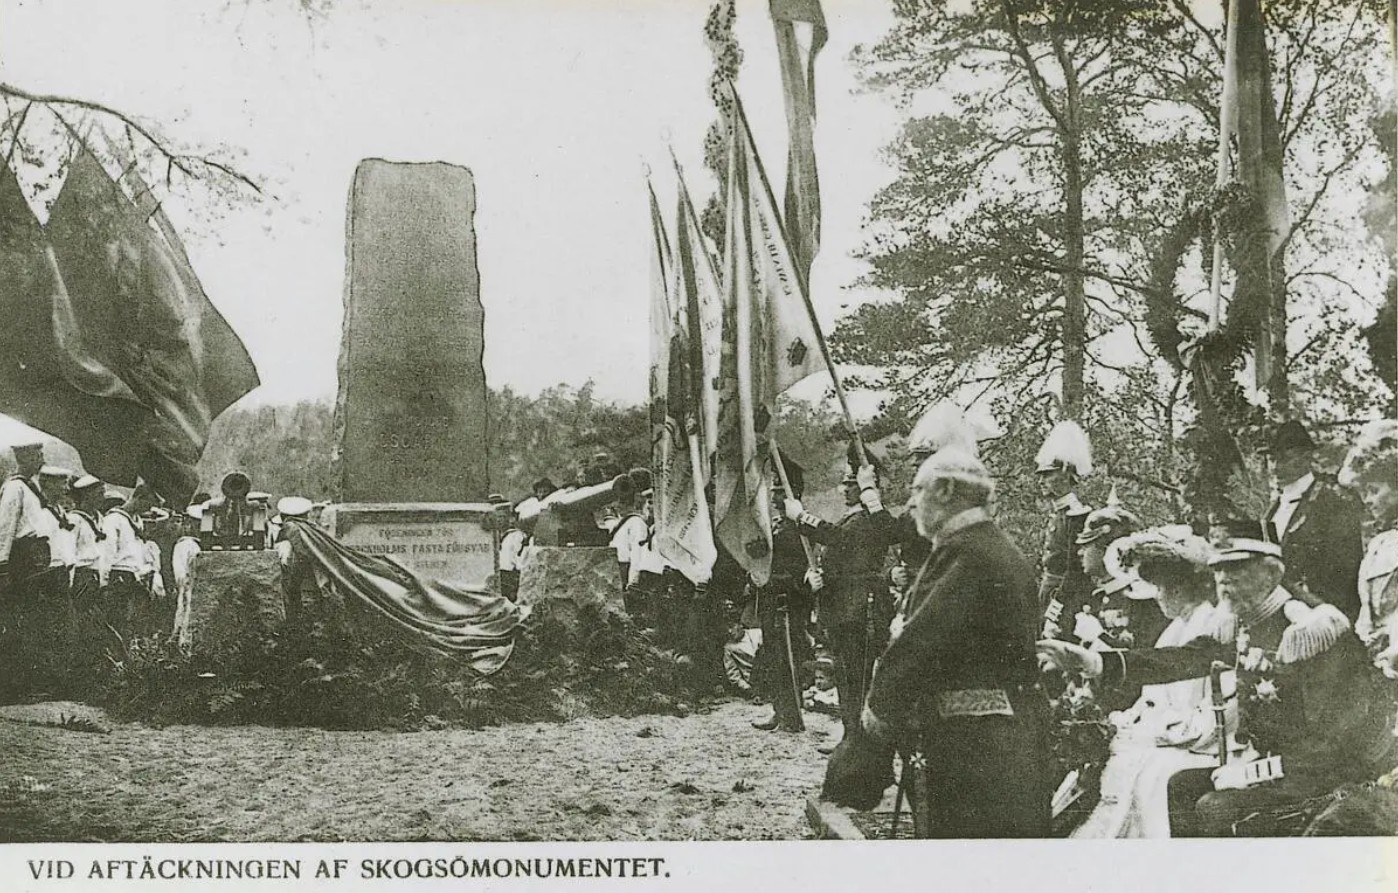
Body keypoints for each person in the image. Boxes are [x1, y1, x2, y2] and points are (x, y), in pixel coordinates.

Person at [1038, 526, 1398, 837]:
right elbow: (1179, 659)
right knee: (1175, 789)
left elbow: (1335, 741)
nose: (1223, 581)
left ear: (1271, 573)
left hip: (1323, 771)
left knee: (1213, 807)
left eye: (1236, 570)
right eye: (1219, 570)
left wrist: (1254, 773)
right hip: (1270, 763)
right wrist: (1097, 661)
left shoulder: (1313, 632)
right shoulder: (1241, 623)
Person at [824, 446, 1052, 838]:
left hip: (972, 748)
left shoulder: (967, 552)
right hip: (997, 741)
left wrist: (866, 743)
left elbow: (917, 648)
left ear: (945, 490)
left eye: (917, 490)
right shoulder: (986, 547)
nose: (911, 503)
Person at [1069, 527, 1234, 838]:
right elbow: (1152, 697)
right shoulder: (1174, 628)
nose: (1156, 596)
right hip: (1167, 733)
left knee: (1148, 773)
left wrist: (1158, 729)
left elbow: (1210, 712)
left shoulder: (1210, 623)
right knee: (1114, 761)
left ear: (1182, 586)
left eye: (1161, 587)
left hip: (1198, 744)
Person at [783, 454, 898, 753]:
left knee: (855, 679)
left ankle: (857, 741)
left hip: (862, 609)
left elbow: (838, 539)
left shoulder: (867, 520)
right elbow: (840, 560)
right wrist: (819, 576)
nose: (844, 489)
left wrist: (802, 518)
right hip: (845, 607)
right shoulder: (855, 516)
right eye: (844, 483)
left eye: (850, 483)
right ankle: (851, 737)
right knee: (846, 678)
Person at [1265, 419, 1364, 623]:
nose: (1275, 467)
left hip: (1324, 614)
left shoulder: (1332, 500)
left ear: (1306, 456)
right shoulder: (1273, 509)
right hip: (1278, 613)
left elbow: (1346, 569)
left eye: (1285, 458)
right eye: (1272, 459)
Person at [752, 456, 813, 733]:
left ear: (791, 493)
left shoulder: (799, 530)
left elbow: (801, 570)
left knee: (789, 658)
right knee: (774, 657)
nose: (773, 494)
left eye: (778, 489)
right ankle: (780, 710)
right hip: (771, 601)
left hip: (788, 603)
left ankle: (792, 715)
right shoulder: (777, 526)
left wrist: (774, 581)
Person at [1338, 421, 1398, 676]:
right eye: (1364, 492)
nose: (1368, 500)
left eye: (1373, 490)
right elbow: (1368, 610)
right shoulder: (1379, 545)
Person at [1034, 420, 1095, 616]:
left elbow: (1075, 571)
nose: (1041, 481)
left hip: (1066, 599)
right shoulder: (1058, 513)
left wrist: (1058, 604)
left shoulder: (1077, 516)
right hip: (1048, 591)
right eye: (1041, 475)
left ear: (1065, 475)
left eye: (1047, 475)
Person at [497, 504, 529, 603]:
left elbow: (519, 557)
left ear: (510, 519)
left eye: (502, 517)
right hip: (497, 574)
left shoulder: (517, 535)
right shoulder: (494, 535)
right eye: (497, 517)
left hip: (509, 575)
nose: (499, 520)